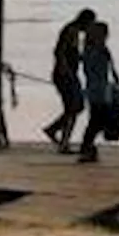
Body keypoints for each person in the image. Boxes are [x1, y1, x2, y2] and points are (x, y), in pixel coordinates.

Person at [43, 9, 96, 153]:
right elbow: (59, 51)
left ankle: (54, 129)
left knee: (77, 106)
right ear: (85, 21)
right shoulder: (70, 30)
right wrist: (64, 68)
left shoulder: (74, 31)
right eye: (91, 23)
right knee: (73, 107)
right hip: (65, 75)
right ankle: (63, 143)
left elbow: (70, 53)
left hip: (70, 74)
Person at [78, 21, 119, 164]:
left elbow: (111, 69)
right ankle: (86, 148)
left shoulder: (99, 49)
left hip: (102, 88)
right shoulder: (92, 50)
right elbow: (92, 69)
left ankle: (88, 148)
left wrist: (117, 83)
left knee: (98, 120)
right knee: (96, 120)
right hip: (96, 89)